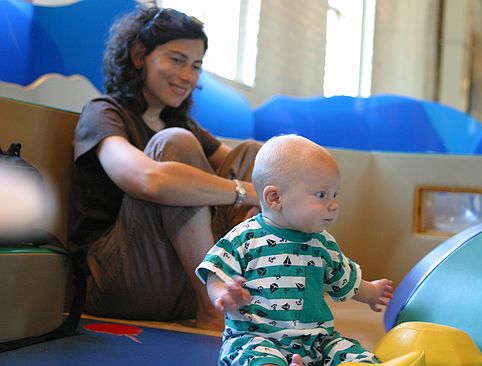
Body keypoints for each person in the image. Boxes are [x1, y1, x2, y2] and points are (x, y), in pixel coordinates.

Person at [68, 6, 260, 331]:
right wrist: (243, 191)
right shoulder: (104, 112)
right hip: (119, 282)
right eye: (176, 59)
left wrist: (265, 188)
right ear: (140, 56)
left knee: (254, 155)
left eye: (196, 66)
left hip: (179, 282)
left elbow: (244, 167)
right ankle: (213, 309)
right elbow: (147, 180)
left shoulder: (179, 122)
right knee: (176, 145)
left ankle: (257, 292)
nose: (187, 75)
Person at [196, 135, 394, 365]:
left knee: (356, 355)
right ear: (275, 198)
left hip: (317, 340)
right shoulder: (244, 238)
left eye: (335, 194)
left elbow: (344, 279)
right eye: (321, 195)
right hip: (256, 338)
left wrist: (371, 292)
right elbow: (215, 273)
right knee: (256, 359)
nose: (333, 204)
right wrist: (223, 294)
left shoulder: (323, 244)